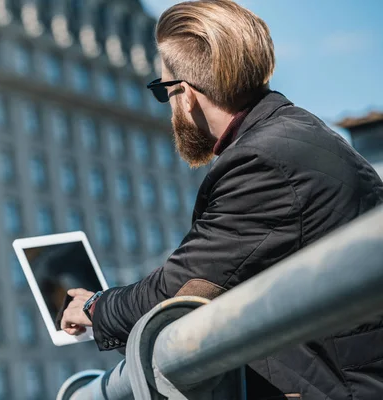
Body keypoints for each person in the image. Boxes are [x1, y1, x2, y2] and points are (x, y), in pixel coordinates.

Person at [59, 1, 383, 398]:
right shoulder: (301, 133)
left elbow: (178, 292)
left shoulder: (263, 161)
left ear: (186, 95)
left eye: (164, 92)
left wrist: (95, 307)